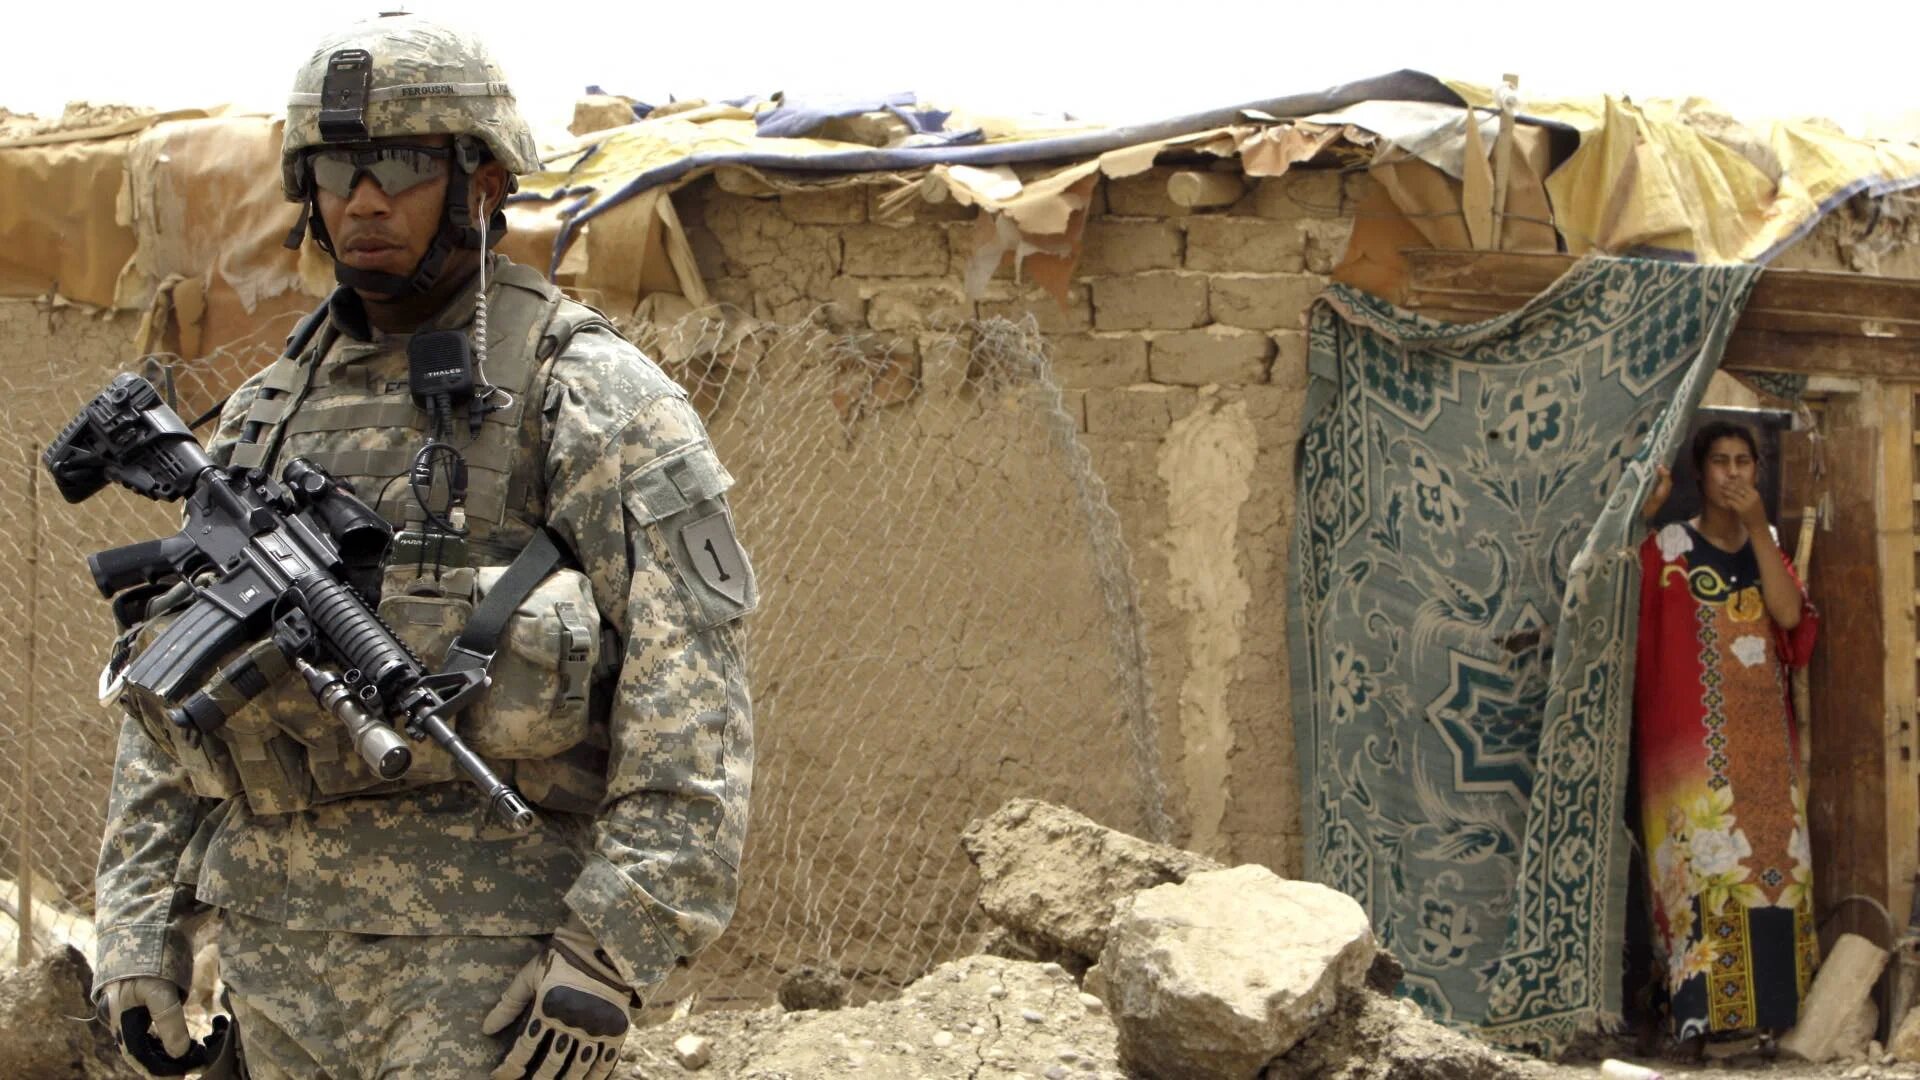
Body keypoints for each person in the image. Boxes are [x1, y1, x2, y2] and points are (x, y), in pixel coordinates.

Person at [88, 14, 755, 1079]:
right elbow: (178, 690)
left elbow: (691, 706)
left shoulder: (583, 393)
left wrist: (613, 945)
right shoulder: (262, 416)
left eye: (400, 164)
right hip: (273, 959)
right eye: (339, 165)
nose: (364, 197)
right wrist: (136, 930)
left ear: (482, 182)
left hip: (487, 976)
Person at [1634, 420, 1817, 1053]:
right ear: (1699, 472)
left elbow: (1789, 615)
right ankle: (1699, 1025)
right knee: (1700, 875)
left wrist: (1763, 527)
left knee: (1775, 874)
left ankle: (1768, 1022)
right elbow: (1611, 601)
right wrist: (1640, 519)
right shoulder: (1669, 550)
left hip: (1766, 752)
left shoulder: (1770, 549)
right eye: (1720, 462)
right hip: (1690, 756)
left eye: (1745, 462)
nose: (1733, 473)